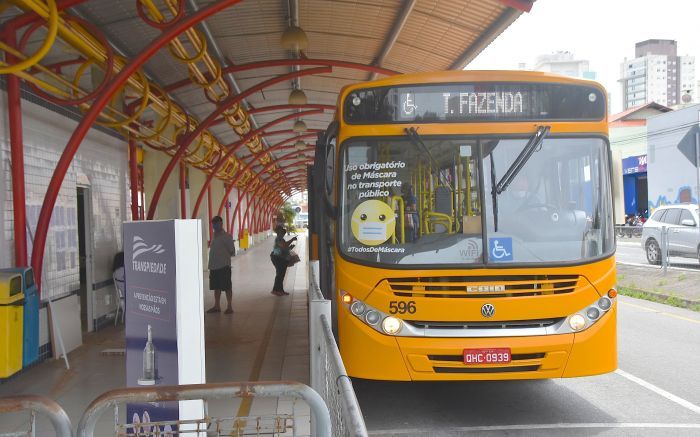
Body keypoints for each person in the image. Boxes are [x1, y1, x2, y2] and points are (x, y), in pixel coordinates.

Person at [207, 216, 236, 314]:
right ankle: (217, 306)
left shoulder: (227, 236)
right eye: (213, 224)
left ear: (221, 224)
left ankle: (230, 306)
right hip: (214, 266)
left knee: (227, 287)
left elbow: (232, 251)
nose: (215, 226)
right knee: (216, 287)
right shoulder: (214, 236)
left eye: (217, 223)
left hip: (224, 266)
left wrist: (222, 255)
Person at [270, 225, 297, 296]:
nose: (283, 231)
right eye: (282, 230)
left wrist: (290, 248)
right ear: (279, 232)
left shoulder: (281, 238)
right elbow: (284, 245)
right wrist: (292, 239)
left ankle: (280, 290)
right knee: (279, 274)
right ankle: (275, 290)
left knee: (281, 275)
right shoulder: (279, 239)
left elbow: (284, 248)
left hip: (281, 258)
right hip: (278, 258)